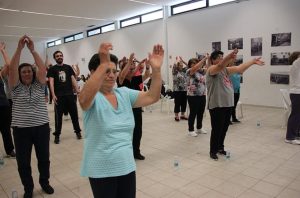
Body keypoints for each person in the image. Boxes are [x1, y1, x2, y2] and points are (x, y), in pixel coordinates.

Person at [79, 42, 163, 198]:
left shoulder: (123, 93)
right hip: (101, 169)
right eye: (106, 71)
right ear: (93, 72)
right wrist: (103, 64)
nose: (111, 75)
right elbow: (83, 101)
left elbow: (153, 96)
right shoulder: (93, 97)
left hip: (126, 165)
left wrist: (156, 70)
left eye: (114, 71)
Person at [8, 35, 54, 198]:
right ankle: (28, 188)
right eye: (23, 72)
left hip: (41, 127)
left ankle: (45, 182)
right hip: (21, 130)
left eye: (29, 71)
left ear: (33, 73)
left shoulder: (39, 85)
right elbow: (12, 69)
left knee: (44, 159)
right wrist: (20, 49)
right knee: (23, 163)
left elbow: (43, 69)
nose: (26, 73)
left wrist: (33, 50)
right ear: (19, 75)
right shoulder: (15, 87)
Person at [206, 49, 264, 160]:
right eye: (219, 57)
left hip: (228, 104)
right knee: (217, 129)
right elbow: (219, 67)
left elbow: (239, 68)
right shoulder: (211, 69)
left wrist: (252, 62)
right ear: (213, 60)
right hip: (217, 105)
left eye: (222, 57)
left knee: (224, 128)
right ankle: (213, 151)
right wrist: (229, 57)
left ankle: (220, 147)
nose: (222, 59)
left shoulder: (225, 70)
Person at [117, 53, 150, 160]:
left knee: (138, 131)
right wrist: (131, 60)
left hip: (136, 109)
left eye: (132, 67)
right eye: (129, 67)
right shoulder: (120, 79)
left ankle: (136, 152)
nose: (131, 68)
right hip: (124, 110)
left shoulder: (136, 79)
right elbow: (122, 75)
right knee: (125, 132)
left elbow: (147, 75)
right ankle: (124, 153)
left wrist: (147, 66)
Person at [47, 50, 82, 144]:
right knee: (58, 117)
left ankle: (78, 132)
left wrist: (77, 91)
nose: (59, 57)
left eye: (61, 55)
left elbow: (72, 79)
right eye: (57, 56)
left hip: (70, 95)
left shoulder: (68, 67)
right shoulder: (52, 69)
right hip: (59, 96)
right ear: (55, 58)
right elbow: (51, 82)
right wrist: (53, 95)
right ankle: (57, 135)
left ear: (63, 57)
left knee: (74, 115)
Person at [0, 42, 16, 158]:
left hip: (3, 106)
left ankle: (10, 150)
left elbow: (9, 66)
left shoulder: (0, 75)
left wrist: (3, 51)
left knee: (6, 130)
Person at [186, 56, 208, 137]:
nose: (195, 65)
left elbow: (208, 68)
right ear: (190, 65)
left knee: (200, 113)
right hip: (193, 95)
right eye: (193, 63)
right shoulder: (189, 71)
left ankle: (199, 128)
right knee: (193, 113)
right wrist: (204, 59)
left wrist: (208, 60)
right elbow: (195, 68)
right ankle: (191, 130)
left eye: (196, 63)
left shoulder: (201, 71)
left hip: (202, 95)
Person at [285, 51, 300, 145]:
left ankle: (296, 133)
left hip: (297, 93)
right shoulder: (295, 64)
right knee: (296, 115)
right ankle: (290, 137)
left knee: (298, 115)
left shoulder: (296, 67)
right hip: (297, 93)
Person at [172, 57, 188, 122]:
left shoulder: (184, 71)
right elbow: (174, 66)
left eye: (182, 65)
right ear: (177, 66)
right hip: (177, 90)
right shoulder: (175, 72)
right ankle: (176, 115)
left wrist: (183, 61)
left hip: (184, 89)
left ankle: (182, 115)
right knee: (177, 103)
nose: (181, 66)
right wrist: (177, 61)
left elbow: (188, 66)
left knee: (184, 102)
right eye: (180, 65)